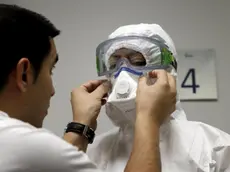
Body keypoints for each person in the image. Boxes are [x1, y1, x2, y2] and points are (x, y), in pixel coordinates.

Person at [0, 4, 176, 172]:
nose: (53, 90)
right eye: (50, 71)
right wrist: (148, 118)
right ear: (24, 74)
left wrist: (80, 126)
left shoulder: (201, 140)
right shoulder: (26, 148)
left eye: (138, 62)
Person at [87, 23, 230, 172]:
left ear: (168, 70)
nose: (123, 72)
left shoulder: (214, 147)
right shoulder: (94, 151)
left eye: (137, 62)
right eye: (113, 64)